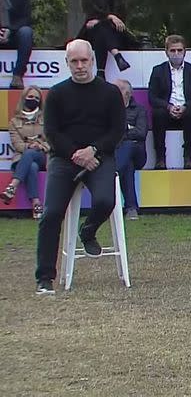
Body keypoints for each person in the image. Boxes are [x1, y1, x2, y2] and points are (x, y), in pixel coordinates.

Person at [34, 39, 125, 296]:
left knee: (106, 200)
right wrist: (76, 154)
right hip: (65, 158)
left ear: (92, 61)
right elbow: (52, 132)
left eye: (84, 60)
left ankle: (88, 231)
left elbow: (117, 130)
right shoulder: (57, 93)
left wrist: (93, 150)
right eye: (74, 61)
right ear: (67, 63)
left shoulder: (110, 92)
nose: (80, 66)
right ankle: (44, 278)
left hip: (99, 156)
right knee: (51, 214)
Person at [148, 34, 191, 169]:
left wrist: (185, 106)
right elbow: (152, 97)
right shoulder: (158, 70)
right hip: (167, 110)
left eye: (180, 50)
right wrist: (168, 107)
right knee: (158, 114)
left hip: (187, 110)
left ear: (185, 51)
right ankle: (160, 158)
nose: (176, 54)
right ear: (166, 52)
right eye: (173, 50)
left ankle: (188, 157)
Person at [0, 86, 48, 218]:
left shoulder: (46, 118)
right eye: (31, 97)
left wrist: (39, 146)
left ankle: (12, 186)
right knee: (31, 166)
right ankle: (36, 203)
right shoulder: (14, 122)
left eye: (37, 98)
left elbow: (50, 140)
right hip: (21, 158)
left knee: (31, 154)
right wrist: (30, 146)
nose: (33, 100)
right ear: (24, 98)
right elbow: (17, 144)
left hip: (42, 156)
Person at [77, 0, 134, 78]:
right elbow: (91, 12)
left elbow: (121, 16)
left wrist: (102, 19)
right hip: (92, 35)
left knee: (100, 26)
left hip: (116, 32)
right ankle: (117, 56)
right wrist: (110, 16)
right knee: (99, 28)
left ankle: (101, 72)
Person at [113, 79, 147, 220]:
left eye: (117, 89)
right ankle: (131, 208)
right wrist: (128, 129)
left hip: (137, 152)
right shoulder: (108, 110)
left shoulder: (139, 110)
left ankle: (114, 172)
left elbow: (141, 133)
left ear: (127, 93)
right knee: (127, 165)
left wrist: (122, 130)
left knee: (128, 146)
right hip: (117, 153)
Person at [0, 0, 33, 89]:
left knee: (26, 32)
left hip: (14, 34)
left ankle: (18, 76)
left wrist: (10, 30)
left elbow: (26, 17)